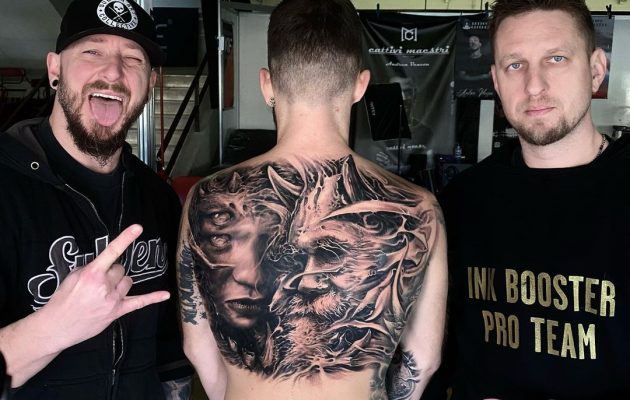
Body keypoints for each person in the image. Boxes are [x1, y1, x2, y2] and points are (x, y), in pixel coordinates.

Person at [176, 0, 448, 399]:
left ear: (267, 84)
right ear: (360, 85)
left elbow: (197, 346)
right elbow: (423, 358)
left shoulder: (204, 197)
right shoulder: (419, 208)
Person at [0, 0, 192, 398]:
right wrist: (57, 326)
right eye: (92, 51)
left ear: (151, 83)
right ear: (55, 69)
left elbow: (168, 350)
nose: (113, 72)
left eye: (133, 59)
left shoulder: (157, 197)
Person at [439, 0, 630, 398]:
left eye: (556, 59)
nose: (534, 86)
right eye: (515, 65)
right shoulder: (461, 203)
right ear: (496, 80)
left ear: (596, 69)